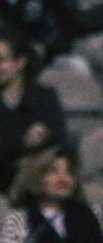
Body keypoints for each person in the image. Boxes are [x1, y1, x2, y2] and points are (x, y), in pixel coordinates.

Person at [0, 27, 66, 193]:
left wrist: (44, 135)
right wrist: (22, 143)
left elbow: (59, 133)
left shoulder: (44, 96)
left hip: (40, 170)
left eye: (1, 60)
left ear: (20, 62)